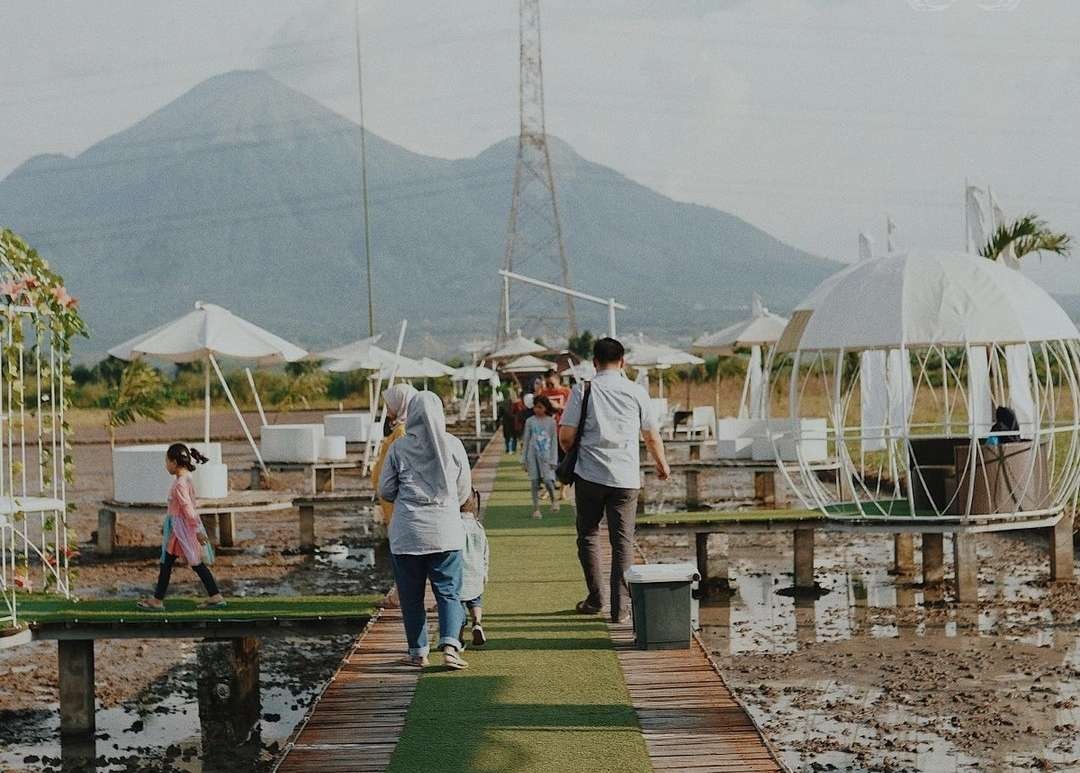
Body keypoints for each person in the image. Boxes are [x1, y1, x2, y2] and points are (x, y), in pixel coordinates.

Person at [560, 337, 670, 623]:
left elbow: (566, 437)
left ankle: (596, 599)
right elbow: (651, 435)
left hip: (589, 476)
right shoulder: (636, 392)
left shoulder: (582, 390)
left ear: (594, 362)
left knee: (588, 535)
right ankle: (620, 610)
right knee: (622, 542)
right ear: (623, 362)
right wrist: (662, 465)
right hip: (626, 478)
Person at [378, 391, 473, 670]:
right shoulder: (454, 445)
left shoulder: (399, 448)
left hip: (408, 533)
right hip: (445, 531)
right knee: (449, 592)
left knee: (411, 596)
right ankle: (451, 647)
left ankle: (418, 651)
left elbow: (385, 490)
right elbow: (463, 490)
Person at [138, 444, 225, 610]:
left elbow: (187, 508)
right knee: (168, 562)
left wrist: (198, 530)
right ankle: (158, 599)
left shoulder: (180, 484)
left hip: (182, 528)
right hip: (179, 528)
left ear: (175, 462)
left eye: (167, 461)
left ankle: (215, 596)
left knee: (194, 562)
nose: (166, 465)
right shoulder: (187, 479)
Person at [371, 383, 419, 525]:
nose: (387, 408)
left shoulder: (402, 430)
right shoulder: (398, 427)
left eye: (389, 404)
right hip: (390, 498)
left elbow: (402, 465)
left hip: (395, 501)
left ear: (401, 403)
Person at [459, 489, 489, 646]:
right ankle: (477, 623)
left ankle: (459, 637)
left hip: (459, 573)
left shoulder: (454, 525)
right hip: (476, 572)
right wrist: (485, 572)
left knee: (457, 605)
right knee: (475, 601)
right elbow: (485, 551)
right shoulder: (478, 526)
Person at [522, 394, 559, 519]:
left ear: (546, 408)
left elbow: (554, 442)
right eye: (535, 407)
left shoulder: (552, 422)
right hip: (532, 456)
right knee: (534, 482)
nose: (537, 410)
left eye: (540, 407)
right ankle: (536, 509)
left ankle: (554, 500)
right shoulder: (530, 421)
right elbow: (526, 440)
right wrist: (524, 459)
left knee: (548, 480)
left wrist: (554, 459)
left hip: (547, 456)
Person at [540, 369, 573, 499]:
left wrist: (558, 406)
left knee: (564, 462)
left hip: (562, 432)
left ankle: (563, 491)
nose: (549, 387)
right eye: (547, 384)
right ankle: (549, 489)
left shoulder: (567, 392)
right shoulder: (543, 393)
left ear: (558, 381)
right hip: (547, 433)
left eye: (551, 384)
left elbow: (573, 412)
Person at [498, 388, 524, 454]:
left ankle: (508, 449)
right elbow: (520, 411)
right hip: (514, 421)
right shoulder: (516, 402)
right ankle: (513, 449)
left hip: (507, 421)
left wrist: (498, 420)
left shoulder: (502, 403)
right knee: (514, 436)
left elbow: (500, 414)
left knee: (507, 436)